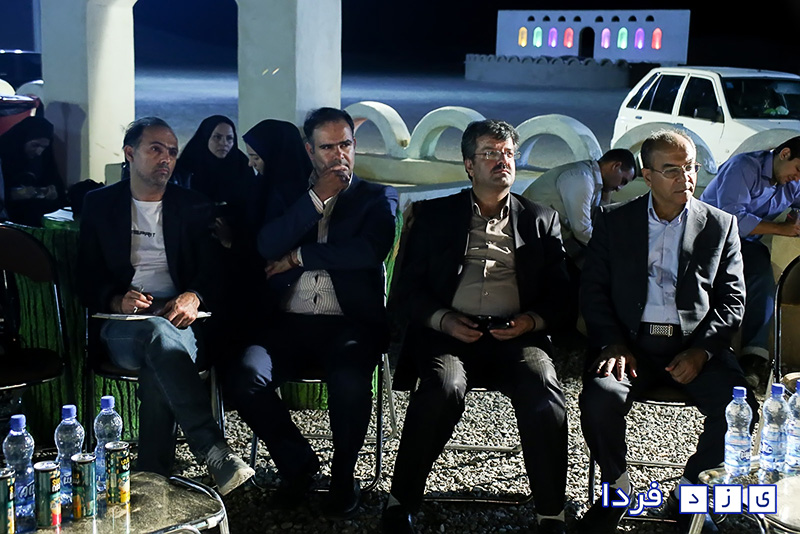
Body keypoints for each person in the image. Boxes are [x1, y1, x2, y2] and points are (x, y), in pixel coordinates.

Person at [382, 119, 571, 534]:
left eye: (508, 153)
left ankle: (551, 512)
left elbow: (561, 296)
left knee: (543, 389)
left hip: (517, 335)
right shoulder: (434, 215)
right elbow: (406, 291)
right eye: (489, 153)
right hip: (449, 333)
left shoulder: (540, 219)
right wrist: (443, 319)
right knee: (442, 387)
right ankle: (401, 502)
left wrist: (530, 321)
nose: (502, 161)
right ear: (469, 165)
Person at [578, 129, 756, 534]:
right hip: (631, 345)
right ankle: (617, 488)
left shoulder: (719, 225)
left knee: (739, 409)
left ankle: (690, 493)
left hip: (693, 345)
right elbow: (593, 291)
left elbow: (733, 301)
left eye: (690, 167)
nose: (685, 178)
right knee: (599, 400)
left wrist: (702, 351)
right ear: (647, 176)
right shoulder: (614, 221)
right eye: (671, 170)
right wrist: (613, 342)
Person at [226, 108, 399, 519]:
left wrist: (300, 256)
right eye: (327, 147)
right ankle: (298, 464)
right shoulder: (288, 193)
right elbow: (268, 244)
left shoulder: (377, 196)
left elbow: (368, 251)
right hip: (288, 321)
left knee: (350, 381)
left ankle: (343, 476)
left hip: (349, 323)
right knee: (244, 376)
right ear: (309, 150)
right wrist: (316, 198)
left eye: (346, 145)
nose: (339, 155)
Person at [77, 116, 254, 495]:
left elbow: (214, 272)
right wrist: (115, 298)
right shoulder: (100, 204)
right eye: (155, 149)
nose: (166, 159)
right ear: (130, 153)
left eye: (172, 152)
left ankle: (152, 481)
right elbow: (85, 276)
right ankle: (212, 449)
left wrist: (195, 296)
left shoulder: (193, 206)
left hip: (180, 321)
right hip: (123, 323)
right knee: (157, 338)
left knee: (159, 361)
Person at [700, 135, 800, 391]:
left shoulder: (792, 181)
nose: (797, 178)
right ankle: (704, 353)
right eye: (798, 169)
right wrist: (783, 229)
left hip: (746, 245)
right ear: (785, 153)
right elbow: (732, 218)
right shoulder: (743, 167)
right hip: (709, 238)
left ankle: (754, 359)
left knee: (764, 279)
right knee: (716, 287)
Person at [524, 148, 636, 261]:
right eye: (623, 181)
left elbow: (598, 220)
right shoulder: (581, 178)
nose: (619, 188)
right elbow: (582, 231)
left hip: (546, 239)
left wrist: (606, 193)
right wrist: (615, 250)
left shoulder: (596, 183)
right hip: (529, 239)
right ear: (616, 166)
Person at [0, 116, 66, 226]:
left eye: (44, 147)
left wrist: (53, 191)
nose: (39, 152)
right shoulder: (4, 153)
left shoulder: (43, 158)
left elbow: (56, 184)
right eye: (35, 145)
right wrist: (15, 194)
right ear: (23, 139)